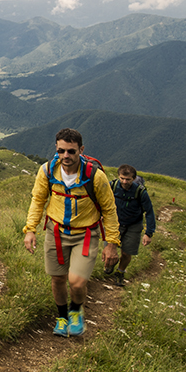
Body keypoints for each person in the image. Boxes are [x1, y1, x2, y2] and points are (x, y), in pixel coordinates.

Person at [23, 128, 119, 337]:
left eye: (71, 151)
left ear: (81, 150)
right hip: (55, 232)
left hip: (85, 234)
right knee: (57, 279)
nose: (66, 156)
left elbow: (109, 210)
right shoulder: (48, 170)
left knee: (76, 281)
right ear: (56, 149)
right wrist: (30, 229)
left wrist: (111, 243)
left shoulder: (95, 176)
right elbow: (38, 200)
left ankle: (76, 310)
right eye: (61, 151)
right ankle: (61, 316)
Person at [105, 163, 155, 286]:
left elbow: (149, 211)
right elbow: (101, 201)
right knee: (109, 250)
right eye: (122, 178)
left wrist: (148, 233)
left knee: (127, 252)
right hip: (114, 223)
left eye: (128, 179)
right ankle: (110, 265)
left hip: (133, 225)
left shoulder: (140, 192)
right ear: (118, 176)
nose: (124, 181)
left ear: (134, 179)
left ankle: (120, 272)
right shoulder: (113, 186)